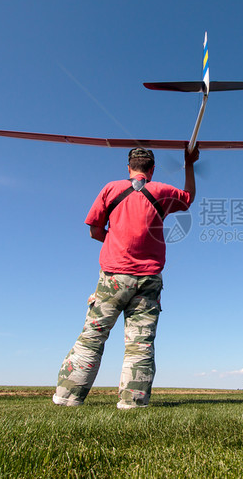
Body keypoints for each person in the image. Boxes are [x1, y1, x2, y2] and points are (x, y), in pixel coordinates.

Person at [53, 145, 199, 409]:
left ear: (129, 167)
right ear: (152, 169)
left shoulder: (111, 189)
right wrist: (189, 163)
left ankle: (67, 398)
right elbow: (188, 197)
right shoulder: (163, 192)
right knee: (140, 343)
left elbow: (95, 231)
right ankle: (132, 403)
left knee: (93, 335)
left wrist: (115, 239)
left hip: (113, 277)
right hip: (149, 279)